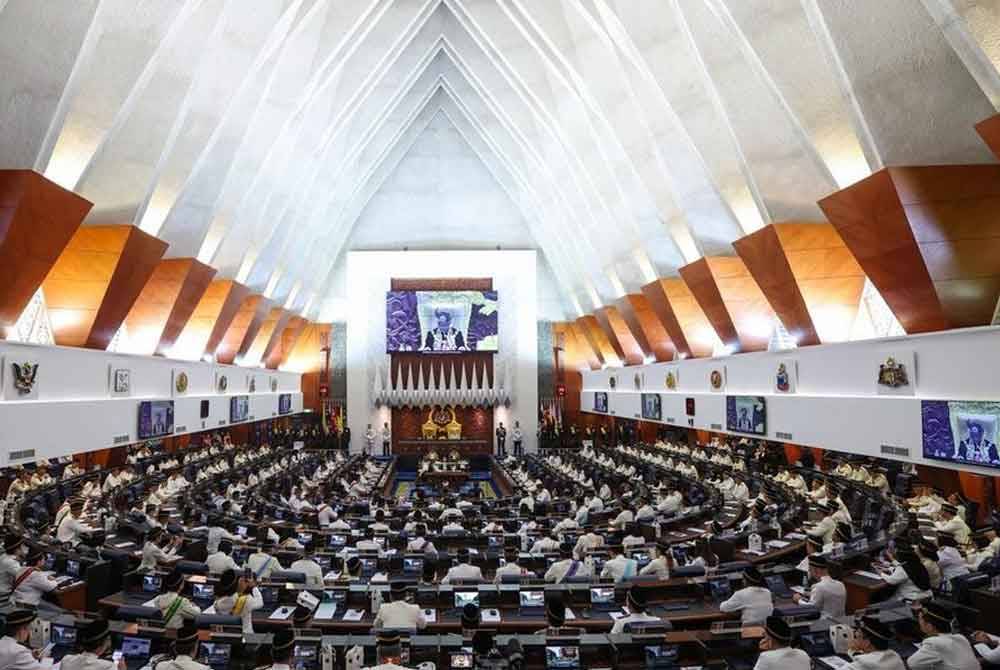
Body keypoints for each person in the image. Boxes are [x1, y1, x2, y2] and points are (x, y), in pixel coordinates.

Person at [907, 600, 978, 670]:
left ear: (929, 626)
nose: (919, 623)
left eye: (920, 619)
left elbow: (911, 664)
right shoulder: (960, 637)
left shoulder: (934, 642)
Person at [212, 569, 263, 634]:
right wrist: (253, 586)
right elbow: (260, 602)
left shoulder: (217, 603)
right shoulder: (246, 599)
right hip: (245, 637)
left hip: (225, 636)